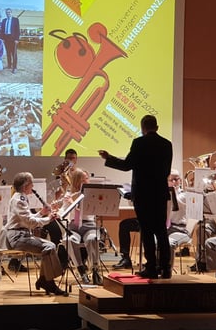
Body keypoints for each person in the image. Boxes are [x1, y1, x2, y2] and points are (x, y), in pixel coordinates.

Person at [99, 114, 173, 279]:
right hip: (160, 193)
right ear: (157, 127)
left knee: (147, 231)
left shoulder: (139, 142)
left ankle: (151, 267)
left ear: (142, 128)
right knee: (161, 231)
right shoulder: (167, 144)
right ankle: (166, 268)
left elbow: (127, 165)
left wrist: (109, 158)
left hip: (144, 194)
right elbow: (166, 171)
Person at [4, 172, 68, 296]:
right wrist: (49, 219)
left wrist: (42, 213)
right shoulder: (19, 200)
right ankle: (48, 281)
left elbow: (28, 219)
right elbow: (30, 223)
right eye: (31, 183)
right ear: (25, 186)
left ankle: (45, 280)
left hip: (22, 235)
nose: (33, 186)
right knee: (49, 247)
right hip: (17, 237)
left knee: (50, 246)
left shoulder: (20, 198)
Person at [59, 168, 103, 285]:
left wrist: (75, 202)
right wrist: (65, 205)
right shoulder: (69, 194)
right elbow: (63, 212)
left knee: (92, 239)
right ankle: (81, 270)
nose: (87, 182)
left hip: (89, 226)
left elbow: (93, 210)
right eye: (84, 180)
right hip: (74, 226)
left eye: (87, 179)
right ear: (77, 181)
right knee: (69, 240)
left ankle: (95, 270)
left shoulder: (91, 194)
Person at [166, 169, 190, 271]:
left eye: (176, 179)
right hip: (166, 228)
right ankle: (155, 264)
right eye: (171, 180)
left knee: (169, 243)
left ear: (180, 180)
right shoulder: (164, 193)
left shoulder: (185, 195)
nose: (174, 182)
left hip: (179, 229)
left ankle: (167, 269)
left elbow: (177, 203)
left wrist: (172, 191)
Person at [0, 8, 20, 73]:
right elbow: (2, 30)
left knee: (14, 53)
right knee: (8, 53)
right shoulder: (4, 20)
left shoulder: (15, 20)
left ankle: (15, 67)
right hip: (6, 38)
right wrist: (2, 38)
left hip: (13, 39)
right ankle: (9, 65)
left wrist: (17, 39)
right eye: (7, 12)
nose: (8, 13)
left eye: (9, 12)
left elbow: (17, 30)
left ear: (11, 13)